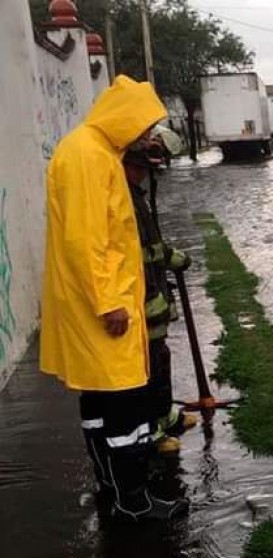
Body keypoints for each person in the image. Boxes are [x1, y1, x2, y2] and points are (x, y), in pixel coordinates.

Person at [40, 75, 188, 523]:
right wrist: (110, 303)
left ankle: (111, 486)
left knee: (101, 404)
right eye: (144, 127)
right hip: (106, 308)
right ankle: (134, 501)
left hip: (99, 303)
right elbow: (88, 241)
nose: (147, 138)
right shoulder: (89, 157)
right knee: (124, 406)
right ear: (124, 117)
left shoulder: (92, 151)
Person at [121, 140, 197, 455]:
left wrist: (169, 257)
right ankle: (152, 433)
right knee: (148, 368)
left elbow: (150, 247)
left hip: (152, 293)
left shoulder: (135, 195)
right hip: (141, 299)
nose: (142, 174)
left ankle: (165, 416)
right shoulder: (122, 198)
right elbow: (135, 252)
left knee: (160, 360)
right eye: (139, 168)